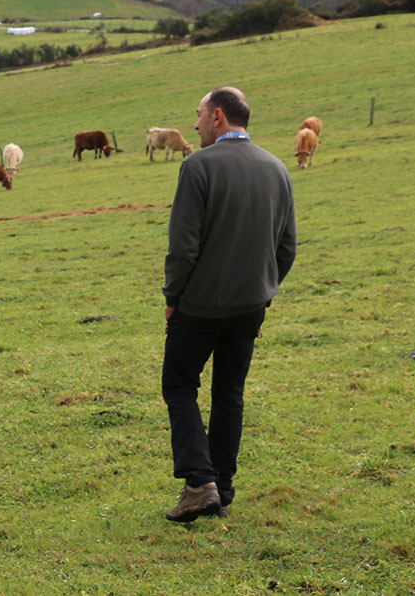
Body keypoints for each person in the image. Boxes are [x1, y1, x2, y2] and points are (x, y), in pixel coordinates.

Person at [160, 86, 296, 522]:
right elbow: (287, 247)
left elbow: (183, 248)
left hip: (200, 306)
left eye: (198, 115)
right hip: (249, 307)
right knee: (229, 393)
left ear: (217, 117)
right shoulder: (277, 167)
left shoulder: (197, 166)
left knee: (179, 385)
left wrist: (172, 298)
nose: (195, 123)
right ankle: (224, 484)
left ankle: (200, 483)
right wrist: (264, 289)